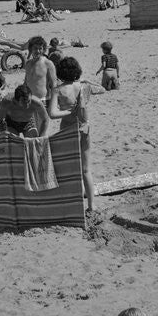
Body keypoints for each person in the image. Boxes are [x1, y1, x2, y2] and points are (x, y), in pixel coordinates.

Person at [47, 56, 96, 213]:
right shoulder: (83, 87)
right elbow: (101, 88)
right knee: (86, 169)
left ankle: (70, 205)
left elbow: (52, 114)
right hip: (84, 128)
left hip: (67, 130)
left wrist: (68, 111)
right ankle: (91, 206)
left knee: (68, 169)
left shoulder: (57, 90)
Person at [24, 35, 57, 103]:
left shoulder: (48, 63)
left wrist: (53, 103)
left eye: (40, 48)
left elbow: (54, 84)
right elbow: (26, 82)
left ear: (44, 49)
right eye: (35, 48)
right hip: (29, 100)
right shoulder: (28, 64)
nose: (38, 51)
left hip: (44, 100)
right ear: (31, 49)